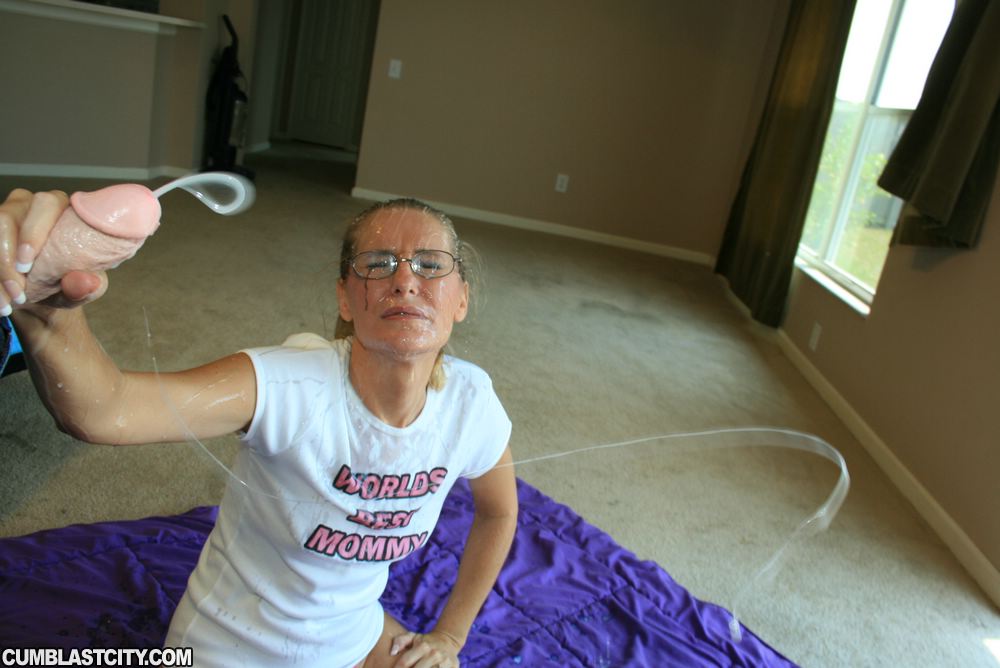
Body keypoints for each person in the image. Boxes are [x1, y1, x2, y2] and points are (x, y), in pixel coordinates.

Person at [1, 187, 518, 668]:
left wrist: (450, 636)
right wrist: (45, 310)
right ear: (345, 298)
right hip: (234, 650)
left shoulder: (471, 404)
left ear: (461, 298)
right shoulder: (290, 386)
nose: (404, 280)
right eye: (377, 264)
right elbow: (104, 409)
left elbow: (499, 513)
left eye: (431, 265)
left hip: (353, 635)